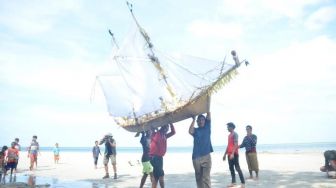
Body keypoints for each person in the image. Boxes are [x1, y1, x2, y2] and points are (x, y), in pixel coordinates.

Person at [189, 112, 213, 188]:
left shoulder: (207, 126)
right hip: (196, 157)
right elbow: (190, 131)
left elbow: (208, 113)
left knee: (206, 178)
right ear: (197, 122)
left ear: (205, 121)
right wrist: (193, 119)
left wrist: (205, 109)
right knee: (198, 178)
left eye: (202, 119)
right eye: (199, 120)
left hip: (206, 156)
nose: (201, 121)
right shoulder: (196, 130)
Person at [149, 124, 176, 188]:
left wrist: (171, 124)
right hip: (154, 158)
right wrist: (157, 130)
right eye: (165, 127)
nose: (167, 129)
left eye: (168, 127)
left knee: (156, 177)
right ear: (162, 127)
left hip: (159, 158)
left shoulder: (164, 135)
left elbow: (173, 132)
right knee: (161, 176)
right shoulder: (155, 134)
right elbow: (157, 139)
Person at [223, 122, 245, 188]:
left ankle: (243, 183)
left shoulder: (235, 134)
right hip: (229, 154)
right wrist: (224, 154)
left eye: (228, 127)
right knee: (231, 168)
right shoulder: (229, 135)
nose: (227, 128)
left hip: (234, 154)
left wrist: (232, 153)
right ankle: (233, 183)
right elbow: (228, 145)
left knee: (237, 168)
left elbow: (235, 144)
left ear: (232, 127)